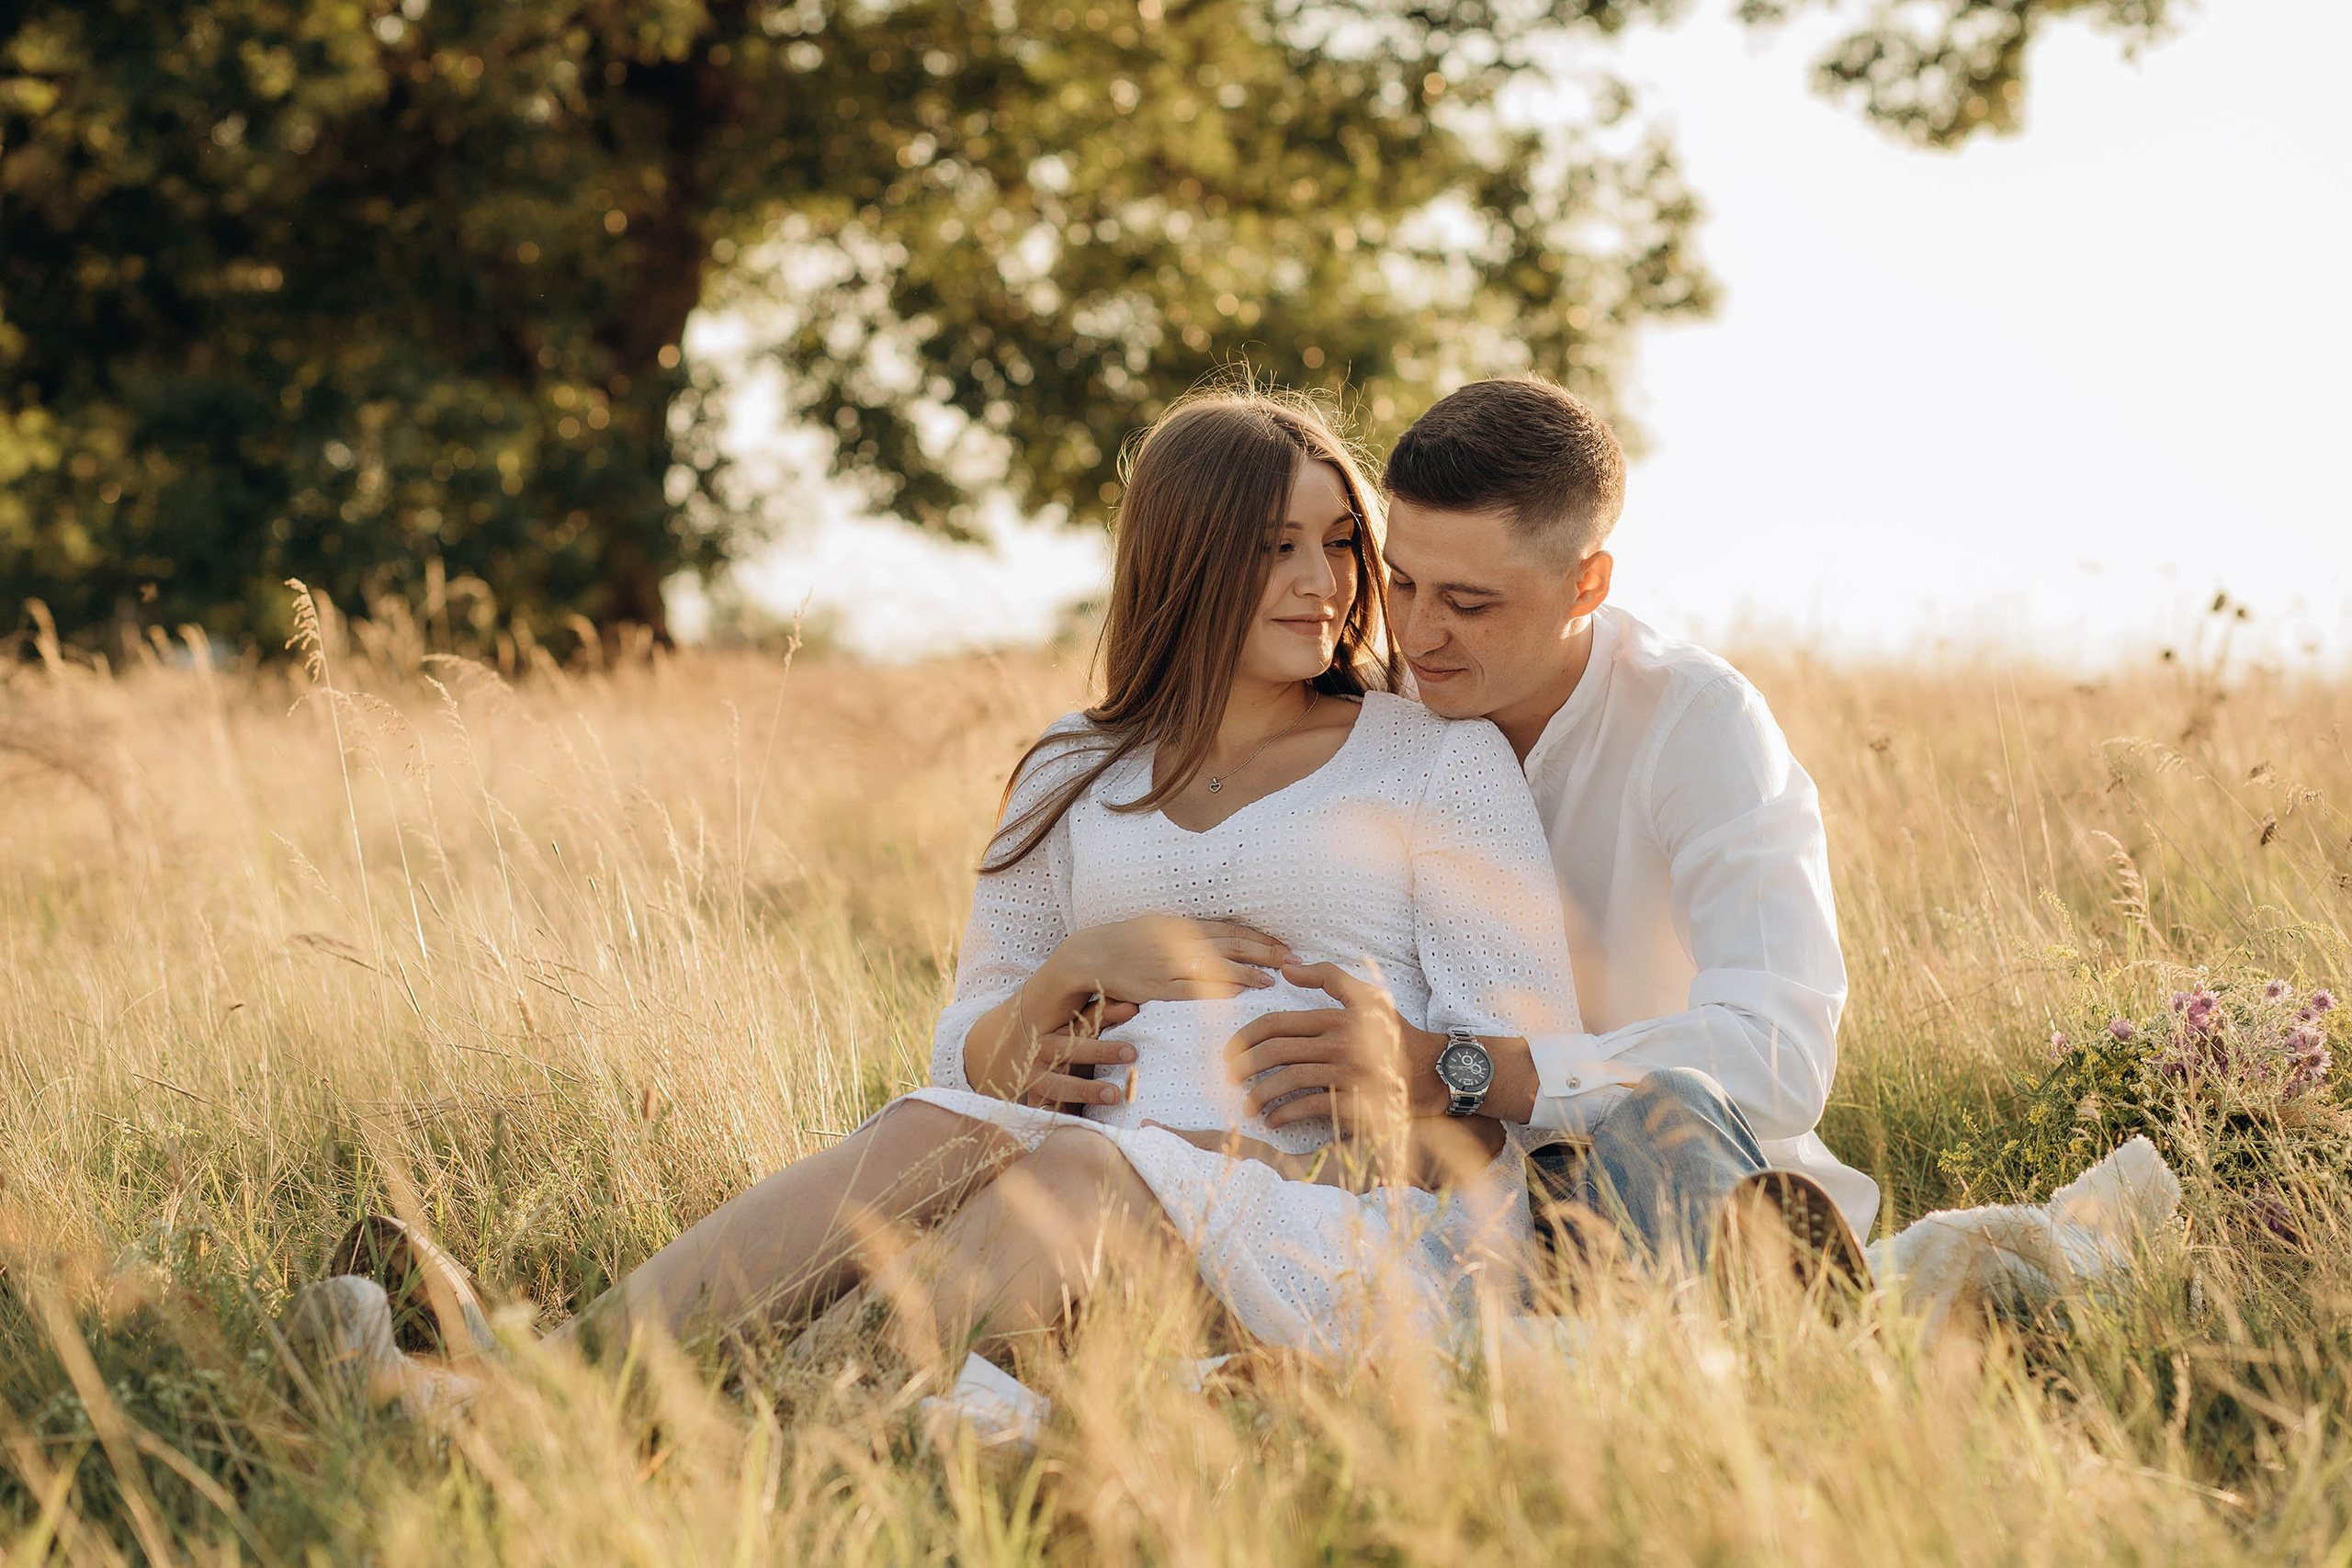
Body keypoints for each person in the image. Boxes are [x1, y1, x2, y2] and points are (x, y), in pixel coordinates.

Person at [442, 388, 1583, 1374]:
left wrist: (1393, 1085)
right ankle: (545, 1384)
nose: (1320, 582)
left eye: (1339, 542)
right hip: (1051, 1168)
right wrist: (1073, 971)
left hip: (1326, 1209)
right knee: (935, 1131)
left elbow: (1515, 1101)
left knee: (1075, 1171)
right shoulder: (1072, 766)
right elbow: (967, 1059)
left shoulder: (1436, 758)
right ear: (1182, 558)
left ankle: (762, 1422)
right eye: (1272, 546)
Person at [1207, 377, 1877, 1271]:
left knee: (1665, 1115)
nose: (1416, 633)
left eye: (1469, 603)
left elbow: (1778, 1056)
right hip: (1427, 1205)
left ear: (1584, 584)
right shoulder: (1361, 713)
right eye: (1401, 582)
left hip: (1682, 1188)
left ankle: (1765, 1310)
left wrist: (1461, 1070)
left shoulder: (1696, 723)